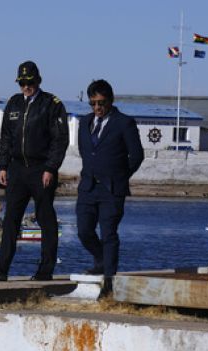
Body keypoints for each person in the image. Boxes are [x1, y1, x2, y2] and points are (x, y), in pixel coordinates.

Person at [0, 60, 69, 282]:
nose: (26, 86)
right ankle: (1, 267)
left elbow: (60, 140)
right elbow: (6, 137)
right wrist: (3, 165)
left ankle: (45, 270)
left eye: (30, 82)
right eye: (22, 82)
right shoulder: (14, 103)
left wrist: (50, 168)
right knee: (11, 219)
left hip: (41, 170)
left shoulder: (52, 104)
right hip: (17, 170)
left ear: (38, 80)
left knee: (45, 219)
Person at [76, 79, 144, 295]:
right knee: (84, 231)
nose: (97, 107)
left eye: (101, 103)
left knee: (108, 234)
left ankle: (109, 279)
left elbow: (137, 155)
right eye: (93, 103)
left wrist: (121, 177)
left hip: (111, 189)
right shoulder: (84, 122)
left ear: (110, 101)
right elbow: (86, 151)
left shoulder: (124, 123)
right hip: (87, 187)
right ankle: (101, 259)